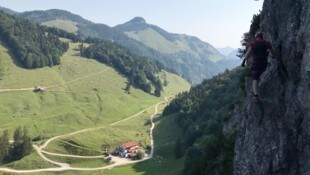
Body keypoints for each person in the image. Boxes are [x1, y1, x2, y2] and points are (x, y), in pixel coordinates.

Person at [241, 32, 275, 102]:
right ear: (262, 37)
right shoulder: (267, 43)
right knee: (260, 75)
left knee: (255, 79)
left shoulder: (253, 43)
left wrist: (244, 61)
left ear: (256, 37)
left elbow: (248, 53)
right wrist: (273, 56)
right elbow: (273, 52)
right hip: (264, 64)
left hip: (256, 64)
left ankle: (256, 96)